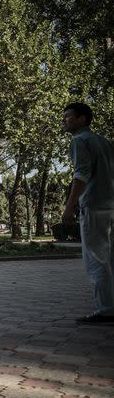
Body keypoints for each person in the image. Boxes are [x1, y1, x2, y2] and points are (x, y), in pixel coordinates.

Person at [61, 102, 114, 324]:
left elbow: (81, 174)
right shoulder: (104, 142)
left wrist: (69, 206)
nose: (65, 121)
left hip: (93, 205)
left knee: (96, 259)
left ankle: (106, 310)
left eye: (69, 117)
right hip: (111, 204)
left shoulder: (79, 141)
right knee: (110, 258)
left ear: (83, 119)